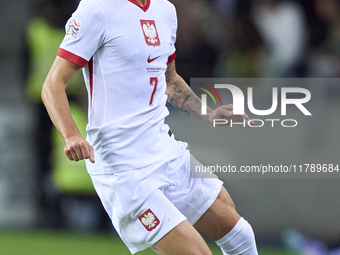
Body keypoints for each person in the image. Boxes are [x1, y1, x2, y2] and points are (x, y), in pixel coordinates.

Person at [41, 0, 258, 254]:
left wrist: (209, 113)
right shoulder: (96, 9)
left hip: (163, 149)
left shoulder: (165, 10)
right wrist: (72, 135)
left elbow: (169, 79)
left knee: (241, 235)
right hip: (122, 167)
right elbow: (52, 84)